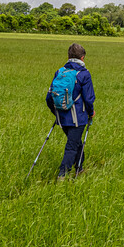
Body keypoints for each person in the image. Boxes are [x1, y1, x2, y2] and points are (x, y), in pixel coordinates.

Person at [46, 43, 96, 180]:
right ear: (83, 57)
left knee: (75, 142)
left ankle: (79, 168)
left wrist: (56, 113)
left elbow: (49, 97)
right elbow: (89, 98)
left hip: (61, 117)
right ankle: (62, 175)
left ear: (68, 56)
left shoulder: (60, 71)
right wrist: (91, 112)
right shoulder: (84, 74)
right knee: (71, 147)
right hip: (77, 118)